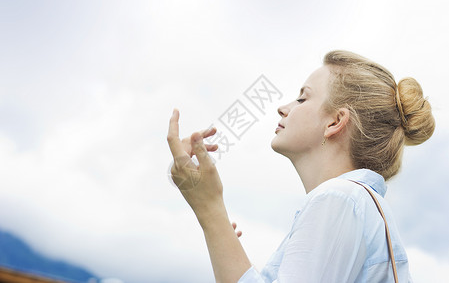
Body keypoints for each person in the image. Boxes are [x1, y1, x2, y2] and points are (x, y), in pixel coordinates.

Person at [166, 50, 435, 282]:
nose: (283, 108)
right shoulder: (354, 203)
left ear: (335, 122)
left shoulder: (339, 199)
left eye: (302, 98)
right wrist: (220, 234)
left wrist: (210, 210)